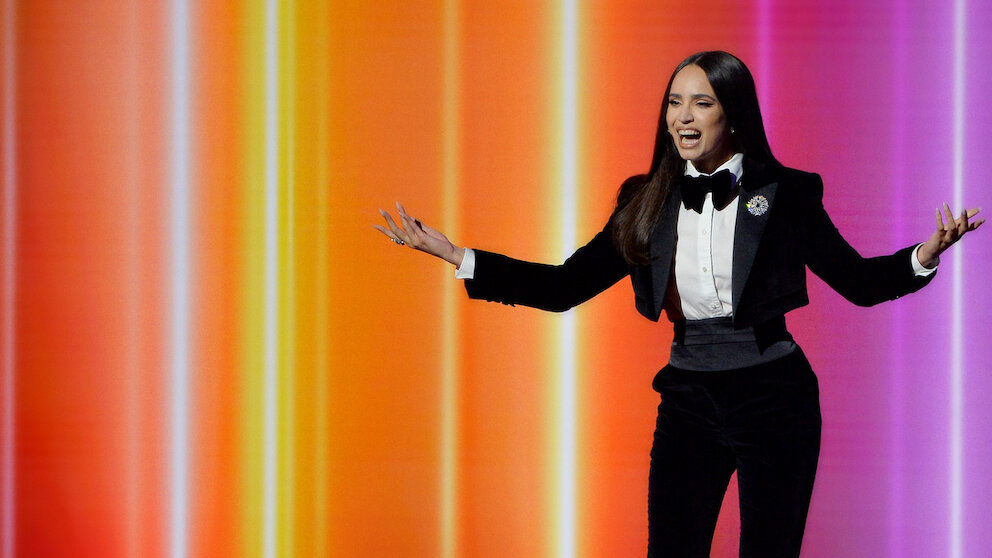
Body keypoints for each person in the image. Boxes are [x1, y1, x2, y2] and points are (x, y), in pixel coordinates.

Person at [373, 50, 982, 558]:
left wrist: (924, 255)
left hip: (775, 397)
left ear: (733, 114)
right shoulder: (646, 201)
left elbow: (858, 282)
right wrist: (458, 255)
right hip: (689, 398)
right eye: (673, 102)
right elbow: (563, 287)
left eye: (701, 103)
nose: (682, 117)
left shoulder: (787, 194)